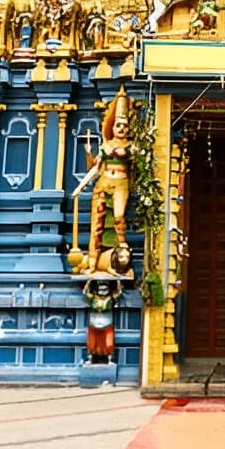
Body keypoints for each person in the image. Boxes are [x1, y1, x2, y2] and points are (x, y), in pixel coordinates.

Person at [83, 87, 133, 272]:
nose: (121, 128)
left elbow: (127, 154)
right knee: (97, 225)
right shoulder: (106, 145)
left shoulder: (130, 146)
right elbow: (94, 167)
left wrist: (117, 151)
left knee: (119, 217)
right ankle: (92, 263)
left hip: (120, 184)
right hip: (103, 183)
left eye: (124, 125)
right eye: (118, 125)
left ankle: (122, 255)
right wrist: (89, 154)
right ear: (112, 127)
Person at [83, 278, 120, 364]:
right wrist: (88, 282)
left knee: (108, 343)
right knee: (92, 343)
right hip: (94, 323)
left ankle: (109, 359)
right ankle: (90, 358)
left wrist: (118, 282)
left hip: (107, 324)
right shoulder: (93, 298)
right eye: (101, 289)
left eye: (105, 289)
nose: (102, 291)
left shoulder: (111, 299)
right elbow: (85, 292)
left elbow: (119, 293)